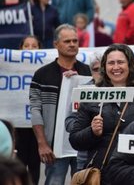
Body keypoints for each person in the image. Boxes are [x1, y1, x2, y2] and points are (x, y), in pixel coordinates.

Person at [69, 44, 134, 183]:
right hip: (102, 174)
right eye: (111, 63)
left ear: (130, 65)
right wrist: (92, 132)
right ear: (105, 67)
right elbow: (75, 141)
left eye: (121, 62)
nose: (116, 67)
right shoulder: (92, 97)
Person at [29, 24, 91, 185]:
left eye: (75, 41)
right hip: (54, 147)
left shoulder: (87, 73)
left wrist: (80, 82)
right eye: (67, 41)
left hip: (83, 144)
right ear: (56, 44)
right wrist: (42, 143)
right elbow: (35, 110)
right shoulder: (42, 74)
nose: (72, 44)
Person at [65, 52, 102, 171]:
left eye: (103, 68)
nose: (100, 72)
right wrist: (85, 126)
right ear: (91, 71)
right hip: (85, 156)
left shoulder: (119, 89)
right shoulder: (82, 91)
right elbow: (69, 122)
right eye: (96, 69)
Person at [15, 36, 42, 185]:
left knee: (34, 165)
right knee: (18, 165)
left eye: (34, 46)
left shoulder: (45, 69)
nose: (30, 49)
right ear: (21, 49)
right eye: (27, 46)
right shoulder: (12, 67)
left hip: (36, 126)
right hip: (18, 126)